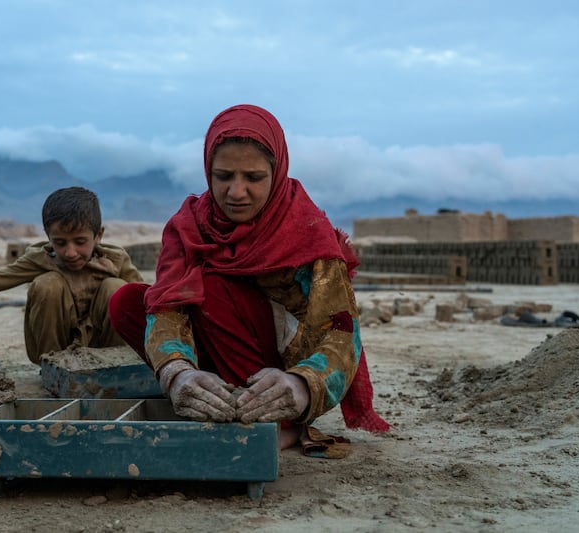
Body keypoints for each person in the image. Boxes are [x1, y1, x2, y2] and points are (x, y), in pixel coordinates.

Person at [109, 104, 390, 450]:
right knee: (128, 301)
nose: (236, 192)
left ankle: (279, 423)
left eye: (253, 178)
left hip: (278, 378)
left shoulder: (306, 231)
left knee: (211, 286)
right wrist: (178, 373)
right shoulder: (190, 225)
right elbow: (167, 307)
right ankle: (209, 393)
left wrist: (302, 385)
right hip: (214, 347)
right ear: (208, 171)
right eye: (223, 176)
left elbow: (342, 332)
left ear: (277, 173)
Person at [0, 186, 143, 364]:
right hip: (56, 350)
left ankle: (115, 365)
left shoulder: (115, 260)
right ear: (48, 237)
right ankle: (54, 367)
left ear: (98, 236)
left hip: (104, 352)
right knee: (48, 284)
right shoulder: (42, 259)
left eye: (80, 242)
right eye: (59, 242)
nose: (70, 252)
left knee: (118, 289)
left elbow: (147, 301)